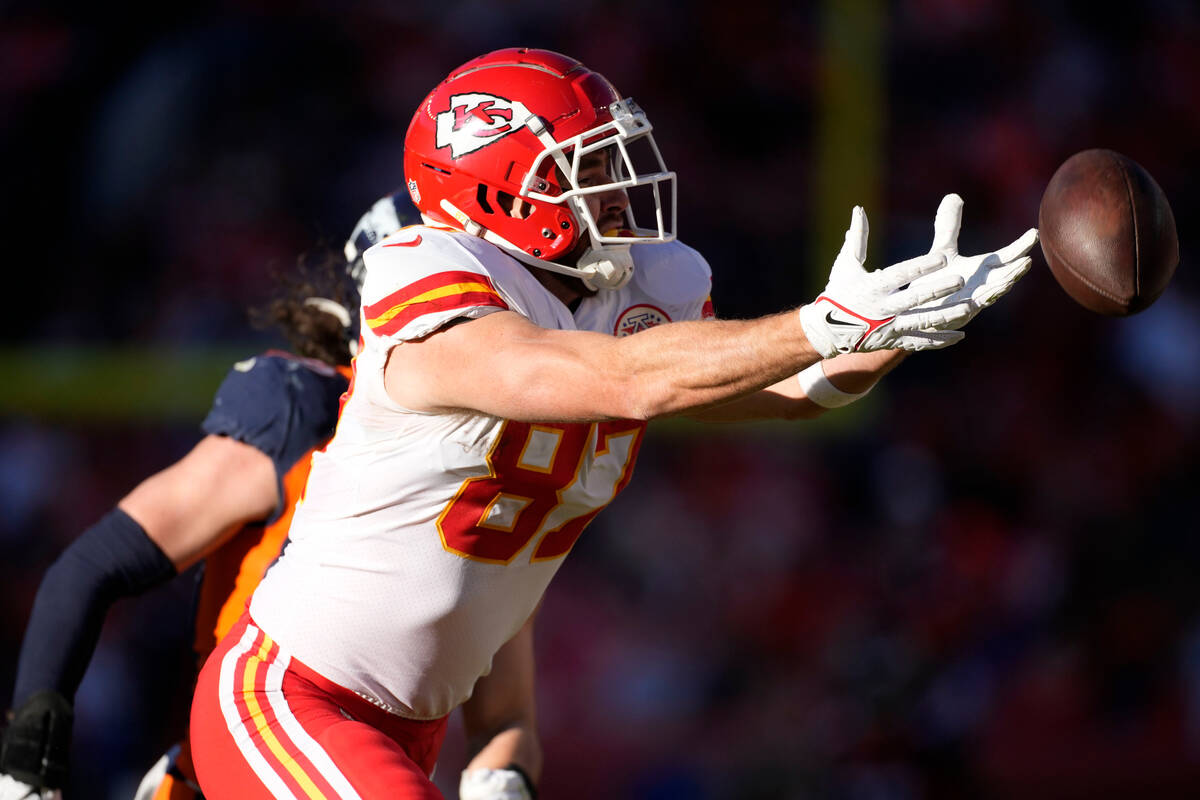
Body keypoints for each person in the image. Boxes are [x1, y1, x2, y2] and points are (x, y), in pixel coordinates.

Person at [188, 47, 1037, 799]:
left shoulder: (635, 286)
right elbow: (600, 380)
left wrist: (891, 328)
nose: (618, 183)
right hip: (294, 693)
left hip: (418, 719)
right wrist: (819, 322)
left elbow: (789, 387)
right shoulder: (430, 279)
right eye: (581, 169)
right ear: (496, 192)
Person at [0, 194, 542, 800]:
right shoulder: (306, 416)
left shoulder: (500, 462)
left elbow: (504, 715)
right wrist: (28, 760)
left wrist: (502, 779)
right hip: (254, 748)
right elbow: (91, 567)